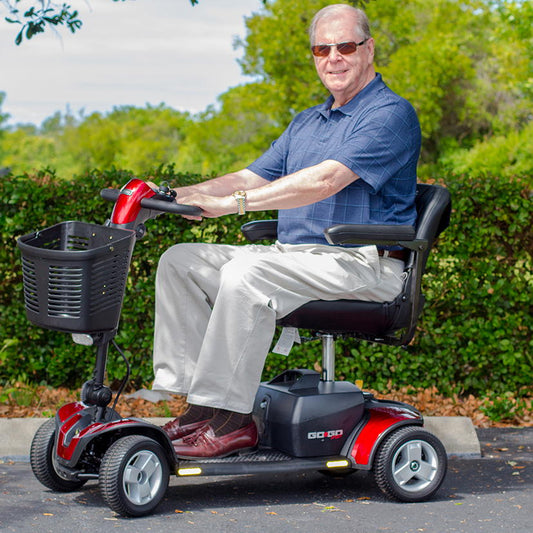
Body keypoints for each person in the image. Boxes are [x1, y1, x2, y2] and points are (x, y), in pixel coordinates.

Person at [151, 3, 421, 459]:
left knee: (248, 276)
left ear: (368, 50)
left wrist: (230, 207)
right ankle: (200, 407)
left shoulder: (390, 115)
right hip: (295, 258)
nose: (333, 57)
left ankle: (233, 420)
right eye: (322, 48)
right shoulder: (306, 123)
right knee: (180, 260)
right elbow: (247, 178)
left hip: (361, 263)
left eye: (346, 46)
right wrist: (175, 195)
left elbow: (325, 180)